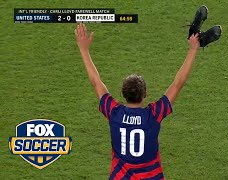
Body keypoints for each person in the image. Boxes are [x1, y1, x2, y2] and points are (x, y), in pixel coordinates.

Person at [75, 23, 200, 179]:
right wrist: (193, 49)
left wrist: (84, 49)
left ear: (123, 94)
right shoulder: (154, 114)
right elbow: (177, 84)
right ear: (145, 94)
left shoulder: (114, 112)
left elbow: (96, 82)